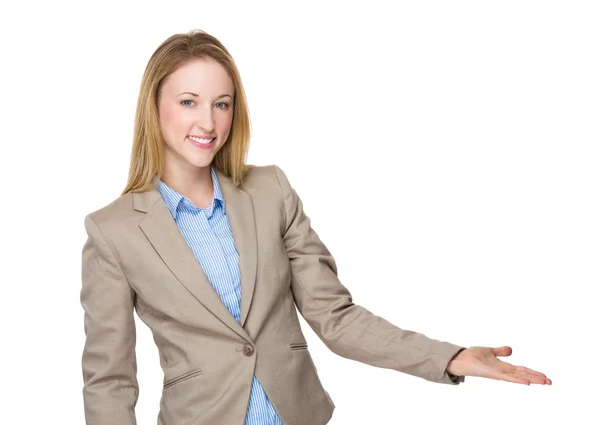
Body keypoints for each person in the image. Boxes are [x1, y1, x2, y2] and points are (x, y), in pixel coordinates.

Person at [80, 29, 551, 425]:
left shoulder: (270, 190)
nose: (207, 121)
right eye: (188, 101)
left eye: (221, 104)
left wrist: (447, 357)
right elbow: (110, 380)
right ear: (154, 106)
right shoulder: (113, 231)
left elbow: (336, 317)